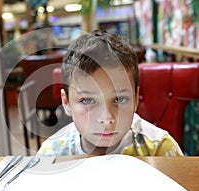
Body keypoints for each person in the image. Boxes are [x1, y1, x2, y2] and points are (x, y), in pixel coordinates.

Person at [37, 30, 183, 157]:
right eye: (87, 100)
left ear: (135, 99)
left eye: (119, 99)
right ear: (66, 103)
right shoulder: (51, 155)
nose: (106, 118)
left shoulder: (161, 150)